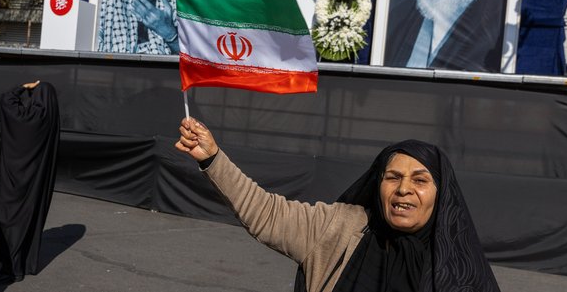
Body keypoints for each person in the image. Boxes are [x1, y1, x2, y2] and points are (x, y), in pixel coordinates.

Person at [175, 117, 500, 292]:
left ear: (441, 193)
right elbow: (266, 213)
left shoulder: (459, 265)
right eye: (392, 177)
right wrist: (213, 159)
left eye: (419, 180)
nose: (403, 190)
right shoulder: (339, 228)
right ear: (378, 184)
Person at [0, 81, 60, 283]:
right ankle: (16, 266)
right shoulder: (50, 119)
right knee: (25, 223)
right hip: (35, 184)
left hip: (15, 182)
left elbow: (7, 101)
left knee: (11, 222)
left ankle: (12, 270)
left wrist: (21, 88)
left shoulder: (31, 117)